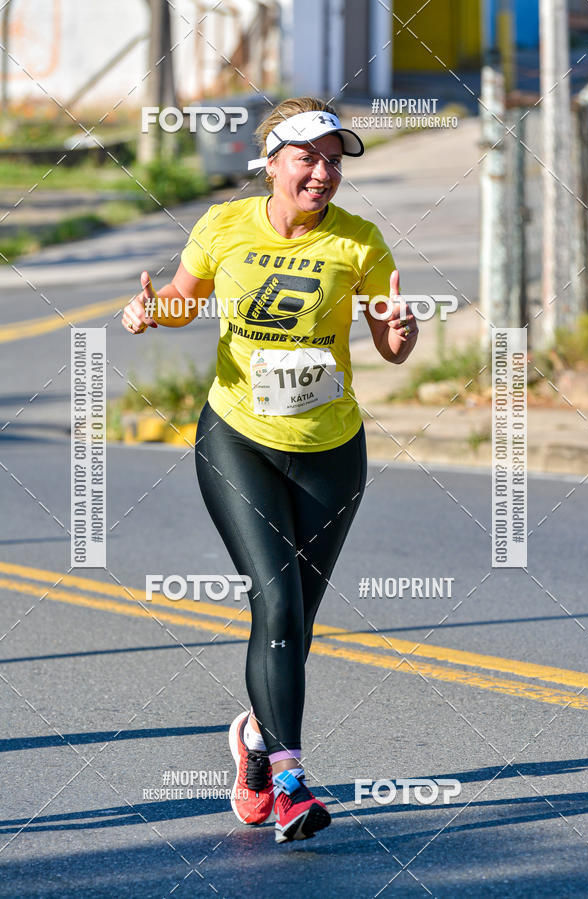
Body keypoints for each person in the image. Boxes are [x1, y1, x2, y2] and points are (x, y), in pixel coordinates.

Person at [122, 97, 418, 843]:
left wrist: (399, 329)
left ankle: (254, 740)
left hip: (331, 448)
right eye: (308, 158)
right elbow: (186, 301)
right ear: (273, 163)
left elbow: (392, 346)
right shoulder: (224, 224)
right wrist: (152, 309)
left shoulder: (360, 242)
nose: (323, 172)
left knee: (296, 625)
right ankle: (289, 778)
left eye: (334, 161)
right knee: (278, 602)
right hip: (239, 438)